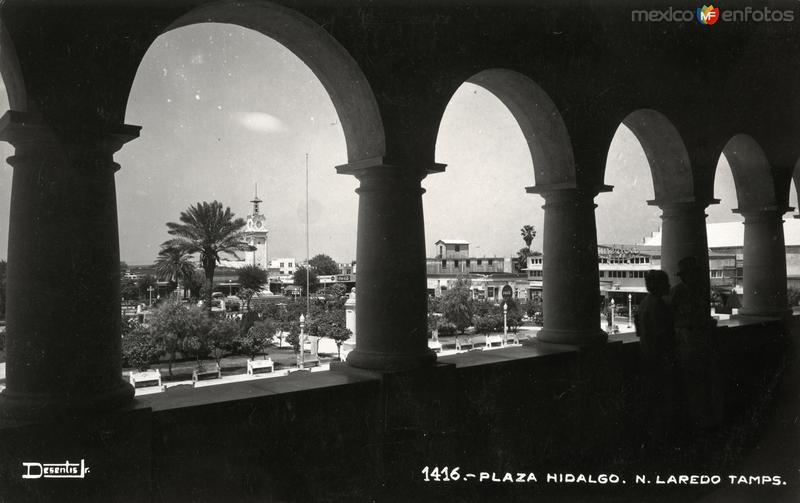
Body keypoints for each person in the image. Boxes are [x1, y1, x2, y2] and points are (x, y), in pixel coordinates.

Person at [669, 256, 721, 433]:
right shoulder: (679, 292)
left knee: (700, 382)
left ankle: (701, 420)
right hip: (688, 339)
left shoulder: (692, 291)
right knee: (694, 382)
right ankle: (698, 421)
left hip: (696, 340)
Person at [635, 269, 679, 450]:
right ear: (659, 285)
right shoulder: (659, 306)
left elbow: (639, 332)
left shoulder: (644, 304)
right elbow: (665, 335)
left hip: (647, 355)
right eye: (666, 282)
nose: (669, 285)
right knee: (662, 401)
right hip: (660, 358)